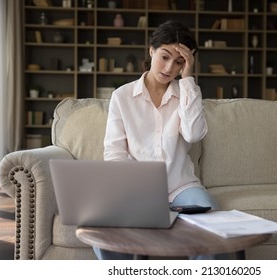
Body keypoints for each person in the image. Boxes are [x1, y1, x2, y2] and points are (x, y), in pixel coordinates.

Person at [94, 20, 226, 260]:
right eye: (164, 57)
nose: (169, 68)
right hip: (136, 189)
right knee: (99, 228)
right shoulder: (122, 97)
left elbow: (194, 134)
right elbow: (114, 153)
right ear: (151, 50)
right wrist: (136, 188)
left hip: (181, 187)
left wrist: (187, 80)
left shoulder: (186, 93)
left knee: (214, 225)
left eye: (179, 63)